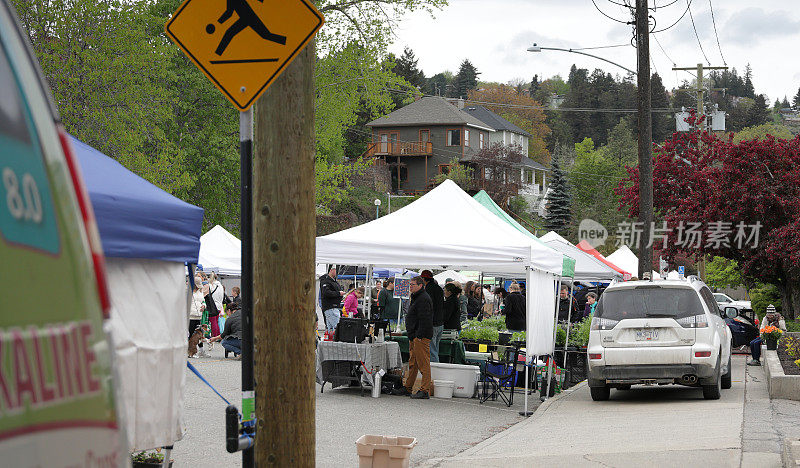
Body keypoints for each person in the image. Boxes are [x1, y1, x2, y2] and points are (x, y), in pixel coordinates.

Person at [393, 276, 433, 399]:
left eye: (413, 284)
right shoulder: (416, 297)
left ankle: (425, 390)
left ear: (420, 285)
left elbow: (425, 319)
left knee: (423, 364)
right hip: (414, 336)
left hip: (420, 336)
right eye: (410, 284)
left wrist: (419, 336)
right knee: (413, 363)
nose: (410, 286)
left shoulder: (423, 298)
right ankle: (408, 387)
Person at [420, 270, 444, 363]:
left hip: (433, 324)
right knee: (435, 349)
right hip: (440, 323)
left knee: (432, 351)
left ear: (423, 279)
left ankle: (434, 371)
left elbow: (428, 308)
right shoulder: (438, 288)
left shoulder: (428, 290)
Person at [320, 267, 345, 333]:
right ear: (331, 270)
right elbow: (326, 293)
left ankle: (330, 340)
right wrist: (338, 293)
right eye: (335, 270)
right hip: (330, 307)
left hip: (333, 307)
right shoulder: (325, 281)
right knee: (336, 328)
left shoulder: (333, 281)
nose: (336, 272)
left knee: (331, 329)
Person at [189, 279, 207, 357]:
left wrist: (204, 306)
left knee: (199, 334)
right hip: (191, 316)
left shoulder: (200, 292)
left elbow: (203, 301)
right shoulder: (188, 291)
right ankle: (190, 352)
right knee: (191, 335)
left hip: (199, 315)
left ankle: (201, 350)